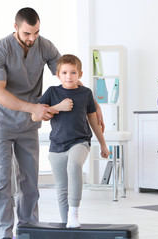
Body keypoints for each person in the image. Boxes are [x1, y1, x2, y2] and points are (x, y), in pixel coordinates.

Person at [0, 8, 104, 239]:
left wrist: (94, 104)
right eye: (27, 33)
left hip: (29, 125)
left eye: (36, 32)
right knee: (2, 180)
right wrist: (33, 107)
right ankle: (4, 233)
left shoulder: (45, 46)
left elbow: (67, 77)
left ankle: (28, 229)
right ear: (15, 27)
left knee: (29, 181)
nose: (32, 38)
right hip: (3, 122)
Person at [32, 54, 109, 228]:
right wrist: (57, 107)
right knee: (61, 188)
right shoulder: (52, 92)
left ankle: (74, 214)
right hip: (56, 146)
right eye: (65, 72)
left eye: (73, 72)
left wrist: (103, 144)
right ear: (58, 74)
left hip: (80, 142)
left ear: (80, 74)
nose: (69, 76)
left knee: (74, 165)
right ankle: (66, 223)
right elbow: (35, 115)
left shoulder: (86, 93)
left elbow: (93, 121)